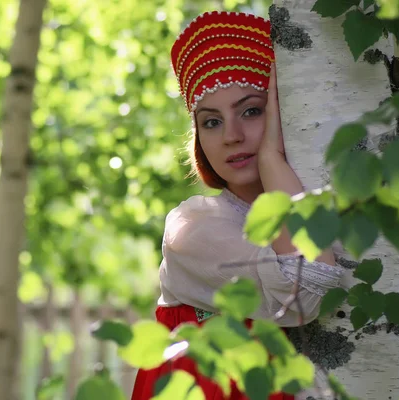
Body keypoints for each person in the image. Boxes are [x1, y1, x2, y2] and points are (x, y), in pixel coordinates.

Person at [131, 10, 345, 400]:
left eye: (251, 111)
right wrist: (270, 159)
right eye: (211, 122)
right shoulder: (193, 227)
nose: (232, 135)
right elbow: (304, 296)